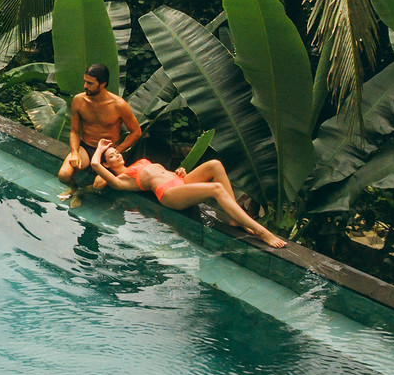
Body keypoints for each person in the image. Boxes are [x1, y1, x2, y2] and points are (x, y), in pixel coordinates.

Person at [87, 138, 288, 248]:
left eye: (117, 152)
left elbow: (163, 173)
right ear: (107, 164)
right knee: (215, 189)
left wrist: (178, 172)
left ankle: (236, 220)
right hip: (170, 194)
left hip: (179, 180)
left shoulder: (137, 163)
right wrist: (99, 148)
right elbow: (94, 164)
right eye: (112, 156)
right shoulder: (121, 181)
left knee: (215, 165)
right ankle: (262, 232)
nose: (118, 155)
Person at [58, 63, 140, 197]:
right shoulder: (79, 100)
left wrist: (117, 151)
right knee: (64, 175)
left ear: (103, 84)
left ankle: (83, 193)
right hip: (86, 147)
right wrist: (74, 153)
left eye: (90, 83)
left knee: (98, 185)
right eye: (85, 81)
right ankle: (75, 189)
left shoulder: (119, 105)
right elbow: (74, 131)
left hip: (107, 151)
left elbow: (136, 132)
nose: (85, 86)